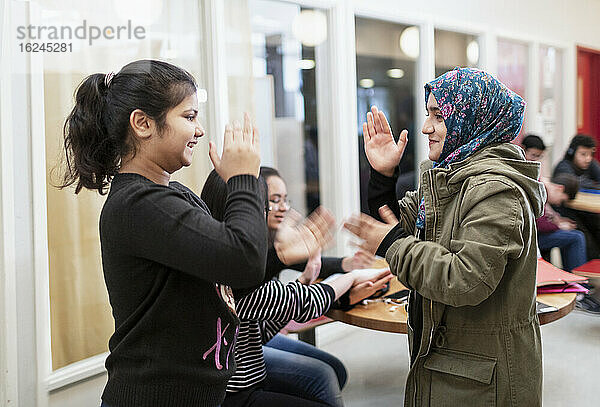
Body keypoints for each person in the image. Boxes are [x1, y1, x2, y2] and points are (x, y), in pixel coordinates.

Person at [59, 59, 328, 407]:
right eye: (189, 117)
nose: (199, 130)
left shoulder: (175, 197)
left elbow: (233, 281)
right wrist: (243, 179)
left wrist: (277, 257)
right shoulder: (138, 204)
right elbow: (240, 261)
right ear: (142, 123)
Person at [344, 67, 545, 406]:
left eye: (439, 115)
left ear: (473, 119)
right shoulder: (449, 176)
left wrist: (392, 243)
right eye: (427, 114)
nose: (426, 127)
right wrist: (382, 177)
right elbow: (402, 225)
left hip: (486, 379)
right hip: (457, 366)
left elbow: (465, 280)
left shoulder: (496, 190)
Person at [201, 170, 393, 406]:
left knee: (332, 371)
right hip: (237, 391)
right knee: (324, 375)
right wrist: (351, 276)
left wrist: (309, 278)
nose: (279, 208)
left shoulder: (220, 253)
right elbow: (302, 303)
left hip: (245, 377)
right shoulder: (236, 268)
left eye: (283, 200)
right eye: (270, 202)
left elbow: (260, 329)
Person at [537, 175, 587, 272]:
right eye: (562, 200)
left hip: (534, 236)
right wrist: (559, 226)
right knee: (576, 237)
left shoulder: (542, 188)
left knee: (573, 236)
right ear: (560, 188)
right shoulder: (540, 190)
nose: (559, 204)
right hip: (532, 239)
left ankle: (573, 277)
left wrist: (558, 221)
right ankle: (579, 281)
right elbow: (541, 225)